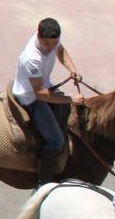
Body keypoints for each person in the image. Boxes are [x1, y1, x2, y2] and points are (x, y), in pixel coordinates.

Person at [10, 17, 84, 186]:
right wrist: (70, 99)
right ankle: (42, 183)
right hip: (30, 98)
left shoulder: (52, 40)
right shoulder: (32, 58)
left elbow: (61, 51)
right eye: (47, 44)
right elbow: (40, 94)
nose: (51, 48)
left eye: (54, 43)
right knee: (55, 140)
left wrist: (73, 70)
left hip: (45, 87)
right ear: (38, 36)